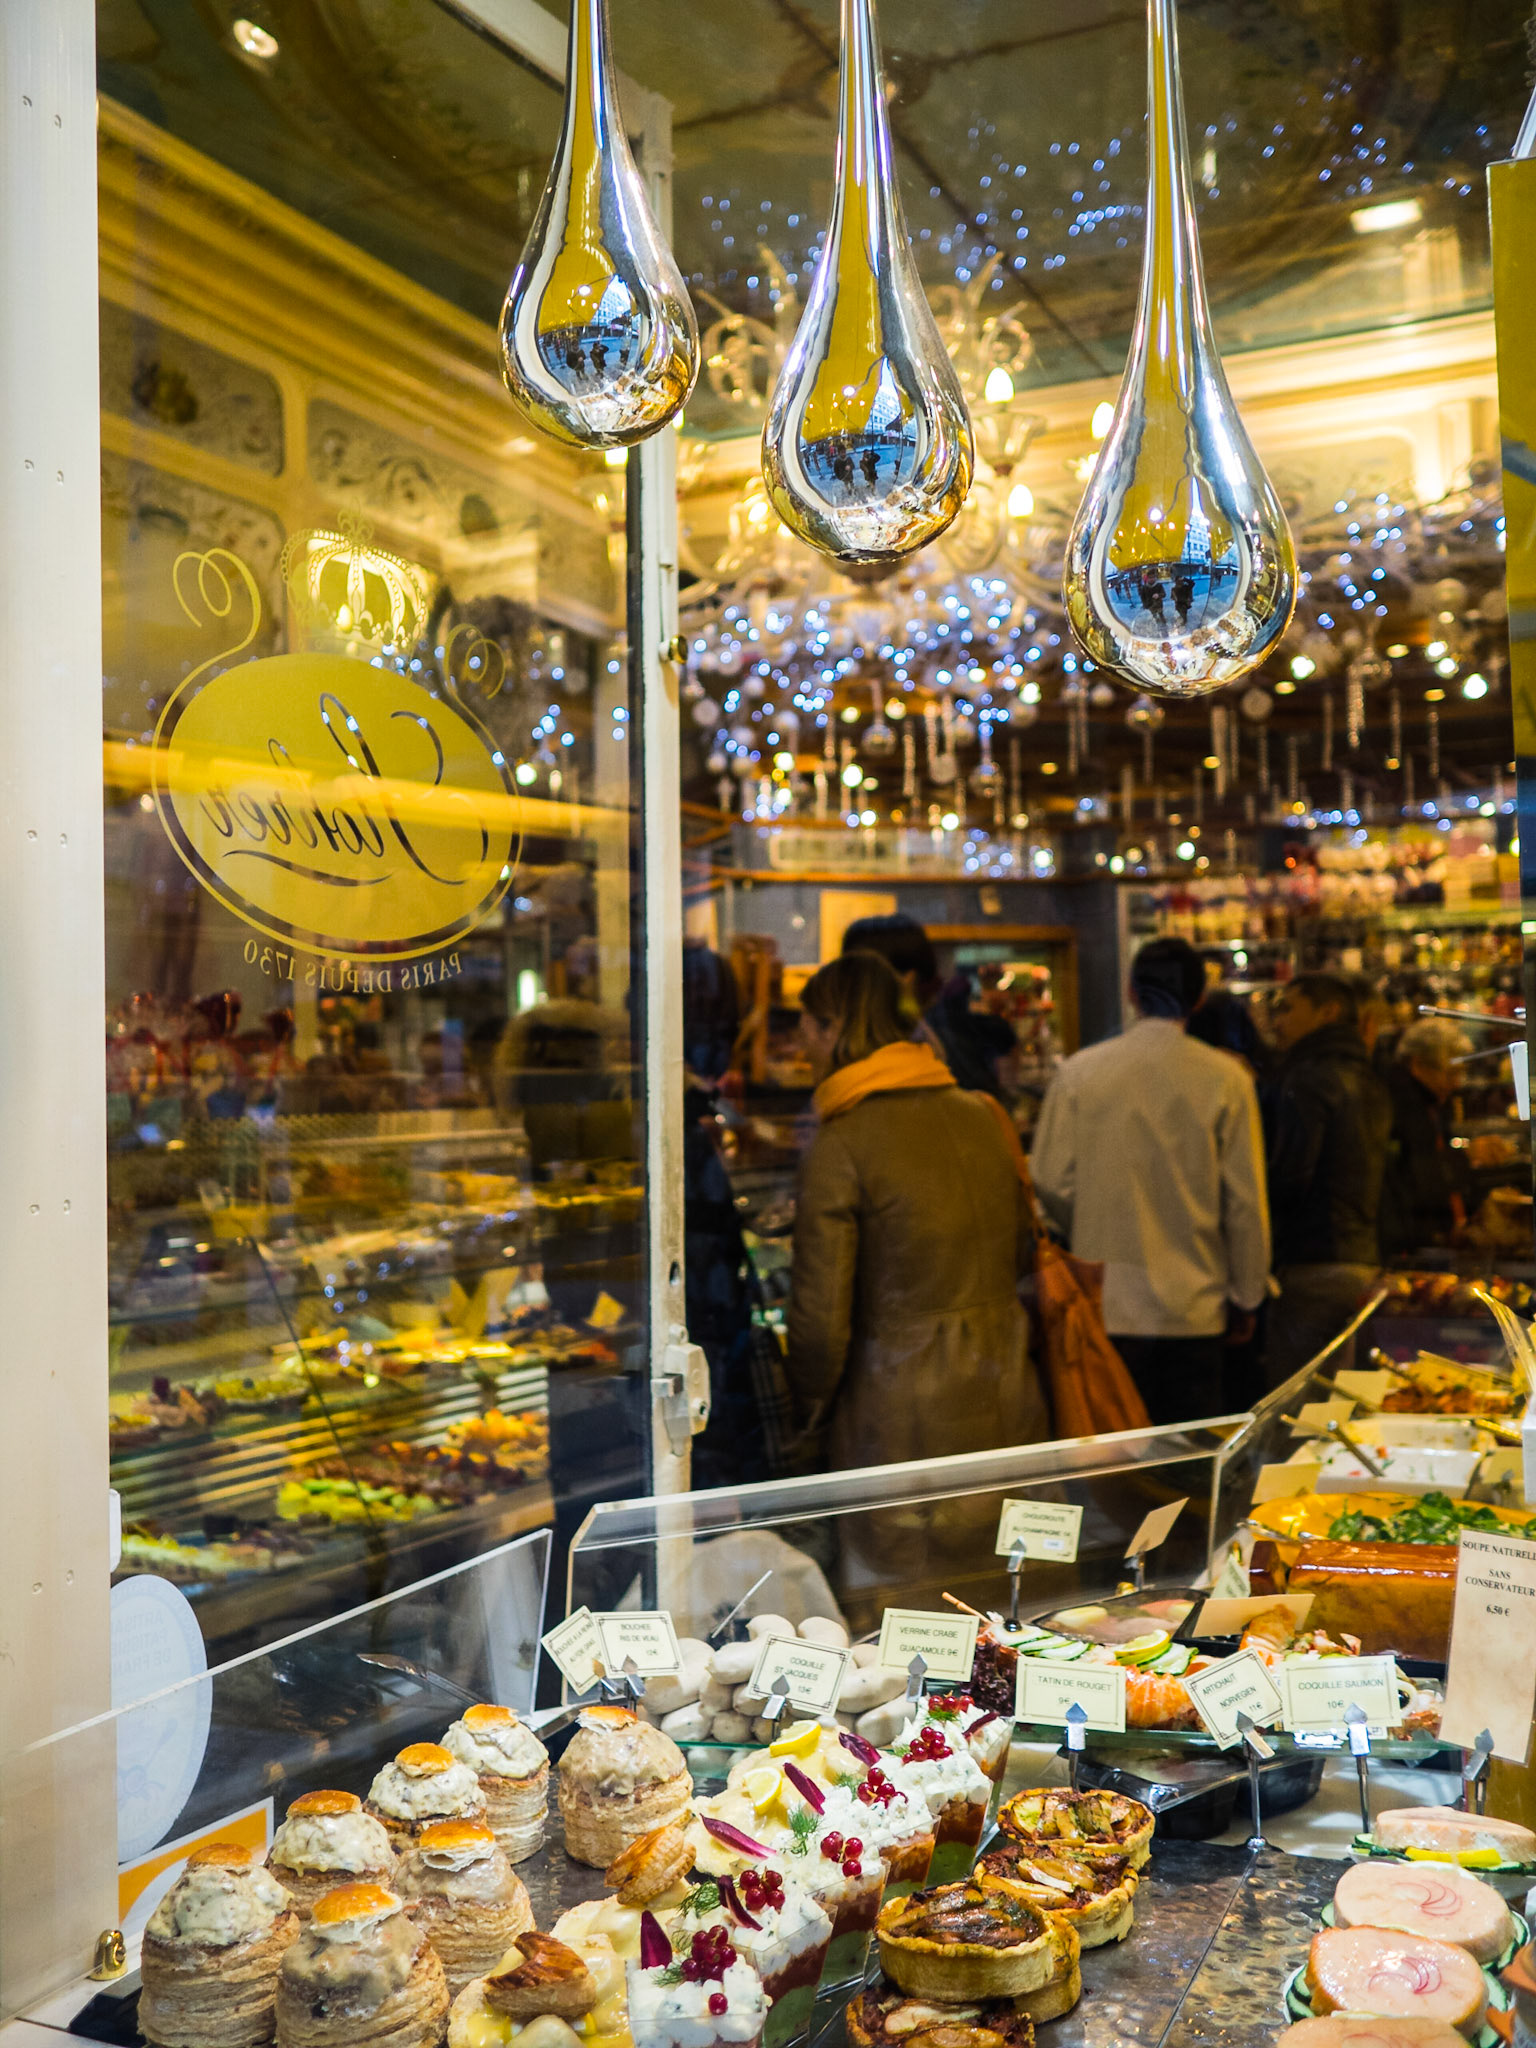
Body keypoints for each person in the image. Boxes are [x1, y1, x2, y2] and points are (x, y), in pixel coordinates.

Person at [785, 951, 1047, 1476]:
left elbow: (820, 1325)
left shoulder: (841, 1143)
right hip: (1009, 1394)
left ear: (834, 1028)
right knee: (1012, 1554)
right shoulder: (982, 1115)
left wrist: (808, 1414)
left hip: (900, 1427)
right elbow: (1022, 1251)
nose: (800, 1046)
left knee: (904, 1557)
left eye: (806, 1029)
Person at [1029, 937, 1270, 1426]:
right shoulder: (1225, 1078)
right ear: (1199, 1000)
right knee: (1187, 1463)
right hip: (1195, 1307)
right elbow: (1244, 1204)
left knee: (1114, 1466)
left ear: (1131, 993)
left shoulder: (1080, 1073)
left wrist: (1094, 1220)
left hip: (1107, 1304)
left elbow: (1050, 1180)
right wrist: (1249, 1295)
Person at [1262, 973, 1393, 1383]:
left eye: (1288, 1008)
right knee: (1344, 1395)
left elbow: (1291, 1176)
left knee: (1300, 1404)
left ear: (1328, 1012)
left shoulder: (1308, 1078)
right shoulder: (1369, 1077)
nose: (1276, 1021)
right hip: (1362, 1256)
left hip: (1314, 1263)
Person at [839, 911, 1017, 1098]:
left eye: (859, 979)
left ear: (906, 981)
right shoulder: (926, 1032)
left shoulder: (927, 1041)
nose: (847, 990)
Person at [1379, 1015, 1472, 1257]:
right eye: (1450, 1073)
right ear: (1418, 1065)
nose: (1456, 1083)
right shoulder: (1401, 1105)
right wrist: (1465, 1159)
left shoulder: (1431, 1101)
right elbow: (1419, 1173)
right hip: (1411, 1241)